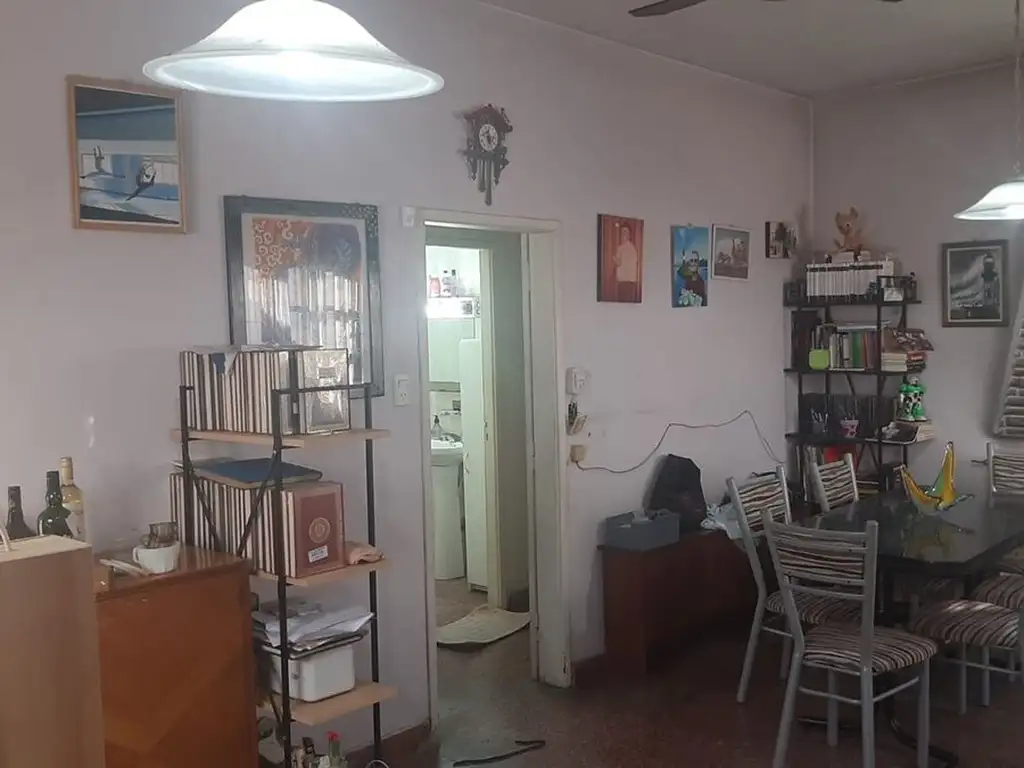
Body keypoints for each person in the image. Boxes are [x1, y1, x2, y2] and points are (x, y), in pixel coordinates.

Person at [613, 224, 640, 302]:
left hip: (626, 281)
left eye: (625, 232)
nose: (624, 234)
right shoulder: (632, 248)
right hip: (628, 281)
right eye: (622, 232)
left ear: (629, 235)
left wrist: (614, 258)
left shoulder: (622, 248)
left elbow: (619, 263)